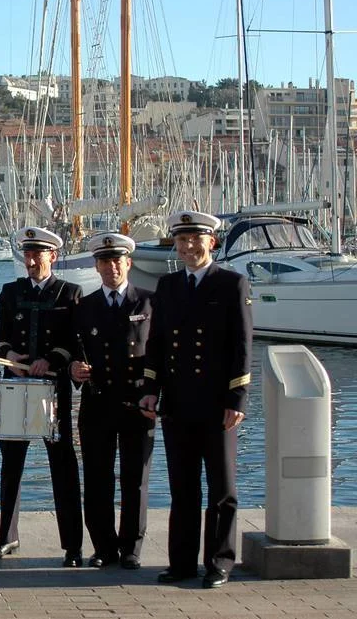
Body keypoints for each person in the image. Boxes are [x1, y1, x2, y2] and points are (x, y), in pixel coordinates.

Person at [140, 210, 252, 589]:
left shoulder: (231, 284)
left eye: (195, 240)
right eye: (182, 240)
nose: (188, 247)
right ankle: (182, 563)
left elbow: (242, 346)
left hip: (218, 404)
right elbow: (156, 344)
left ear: (211, 242)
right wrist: (151, 391)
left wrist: (237, 399)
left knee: (222, 489)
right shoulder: (168, 285)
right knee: (183, 488)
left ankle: (219, 561)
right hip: (177, 402)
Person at [0, 226, 83, 566]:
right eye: (27, 255)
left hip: (52, 389)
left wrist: (51, 360)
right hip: (15, 387)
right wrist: (10, 355)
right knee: (10, 465)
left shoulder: (70, 293)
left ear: (52, 256)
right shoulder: (10, 292)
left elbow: (74, 342)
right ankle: (6, 536)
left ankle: (72, 545)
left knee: (63, 466)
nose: (30, 261)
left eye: (37, 255)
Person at [69, 232, 154, 570]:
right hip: (97, 402)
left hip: (136, 403)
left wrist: (156, 394)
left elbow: (159, 353)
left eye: (117, 260)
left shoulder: (147, 303)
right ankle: (103, 547)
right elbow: (71, 348)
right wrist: (74, 367)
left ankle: (131, 547)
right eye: (104, 261)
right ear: (96, 266)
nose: (111, 267)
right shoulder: (84, 306)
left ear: (128, 263)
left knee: (135, 480)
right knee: (97, 478)